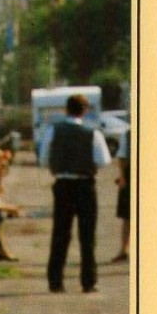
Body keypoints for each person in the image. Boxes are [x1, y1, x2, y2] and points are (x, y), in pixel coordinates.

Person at [39, 93, 111, 293]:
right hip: (85, 186)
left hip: (63, 185)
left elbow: (44, 158)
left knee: (60, 233)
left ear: (66, 109)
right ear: (85, 110)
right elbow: (104, 160)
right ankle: (89, 281)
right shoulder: (92, 133)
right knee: (87, 236)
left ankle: (55, 281)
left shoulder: (54, 130)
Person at [112, 125, 130, 262]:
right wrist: (123, 177)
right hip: (131, 176)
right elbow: (122, 157)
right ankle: (124, 249)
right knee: (127, 216)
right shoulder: (128, 134)